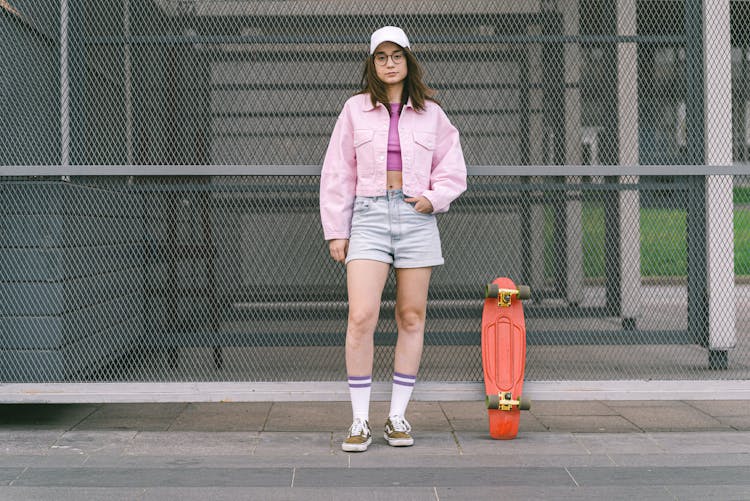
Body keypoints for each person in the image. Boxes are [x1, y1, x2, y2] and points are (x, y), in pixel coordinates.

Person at [319, 26, 467, 452]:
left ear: (408, 60)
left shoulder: (432, 114)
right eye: (380, 56)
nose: (388, 63)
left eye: (396, 55)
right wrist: (336, 230)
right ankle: (360, 421)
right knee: (361, 316)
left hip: (416, 218)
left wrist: (432, 199)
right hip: (367, 216)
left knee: (411, 317)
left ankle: (398, 417)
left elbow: (453, 167)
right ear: (372, 63)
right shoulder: (354, 110)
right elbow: (337, 172)